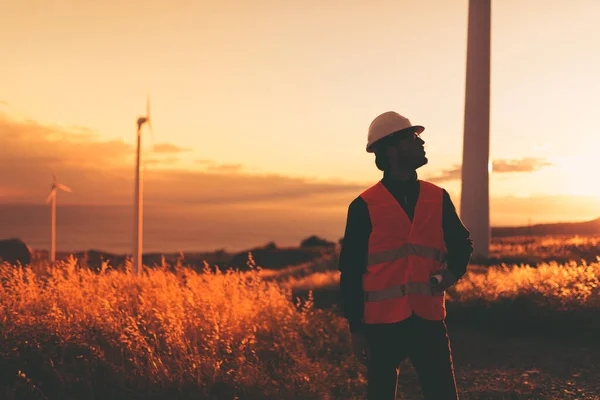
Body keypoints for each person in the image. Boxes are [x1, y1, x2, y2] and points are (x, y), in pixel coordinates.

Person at [338, 111, 474, 400]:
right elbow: (350, 271)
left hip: (428, 319)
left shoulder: (437, 197)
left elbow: (462, 244)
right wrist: (356, 329)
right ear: (392, 148)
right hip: (380, 325)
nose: (422, 143)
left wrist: (451, 273)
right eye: (413, 138)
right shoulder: (363, 206)